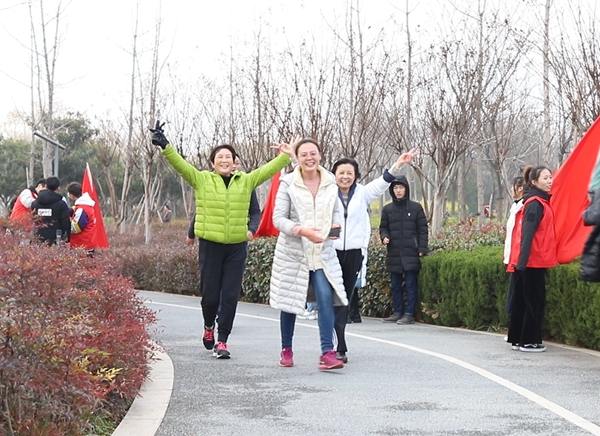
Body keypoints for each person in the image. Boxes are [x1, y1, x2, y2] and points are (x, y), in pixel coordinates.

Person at [150, 120, 295, 359]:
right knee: (210, 297)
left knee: (229, 296)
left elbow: (267, 171)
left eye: (228, 156)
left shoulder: (246, 181)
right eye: (220, 157)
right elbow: (181, 165)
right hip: (211, 246)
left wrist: (285, 156)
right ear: (212, 162)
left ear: (234, 161)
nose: (224, 160)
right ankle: (209, 326)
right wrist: (165, 145)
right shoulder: (202, 179)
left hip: (237, 247)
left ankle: (223, 340)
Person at [331, 149, 417, 362]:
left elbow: (383, 181)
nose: (345, 176)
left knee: (344, 298)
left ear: (356, 176)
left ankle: (339, 345)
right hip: (330, 252)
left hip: (353, 253)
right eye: (341, 172)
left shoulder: (363, 193)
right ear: (334, 175)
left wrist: (398, 164)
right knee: (330, 298)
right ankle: (330, 344)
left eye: (349, 173)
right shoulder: (327, 193)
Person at [269, 138, 348, 371]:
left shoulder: (330, 182)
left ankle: (327, 352)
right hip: (294, 253)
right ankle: (286, 349)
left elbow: (336, 210)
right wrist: (301, 230)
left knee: (325, 296)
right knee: (291, 302)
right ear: (297, 158)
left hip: (321, 253)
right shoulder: (288, 183)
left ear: (320, 155)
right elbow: (278, 218)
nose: (309, 158)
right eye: (303, 154)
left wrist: (335, 226)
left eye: (313, 153)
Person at [507, 165, 557, 353]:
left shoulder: (536, 202)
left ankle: (518, 339)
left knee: (522, 301)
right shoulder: (535, 203)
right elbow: (527, 234)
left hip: (528, 261)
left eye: (550, 177)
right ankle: (529, 341)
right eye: (545, 178)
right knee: (534, 302)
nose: (549, 181)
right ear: (534, 182)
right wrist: (522, 263)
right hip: (532, 261)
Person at [380, 175, 428, 325]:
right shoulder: (387, 209)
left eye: (401, 187)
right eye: (395, 188)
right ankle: (397, 312)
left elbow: (423, 230)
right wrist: (384, 236)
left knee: (410, 285)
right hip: (394, 253)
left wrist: (422, 248)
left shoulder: (415, 208)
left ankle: (409, 314)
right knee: (395, 285)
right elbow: (383, 227)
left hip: (410, 252)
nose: (398, 190)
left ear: (406, 189)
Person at [186, 156, 261, 246]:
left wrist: (251, 230)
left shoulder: (246, 186)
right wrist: (191, 234)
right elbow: (202, 211)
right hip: (212, 241)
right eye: (232, 163)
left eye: (237, 163)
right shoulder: (210, 184)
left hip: (237, 241)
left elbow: (255, 212)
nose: (234, 166)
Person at [503, 177, 526, 316]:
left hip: (519, 258)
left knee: (518, 297)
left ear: (520, 188)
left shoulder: (524, 207)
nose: (511, 189)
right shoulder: (515, 206)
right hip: (513, 256)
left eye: (513, 187)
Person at [31, 176, 70, 245]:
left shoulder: (35, 204)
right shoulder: (61, 204)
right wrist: (67, 238)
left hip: (38, 238)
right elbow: (65, 223)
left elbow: (33, 220)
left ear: (46, 186)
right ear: (58, 188)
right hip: (56, 239)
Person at [66, 182, 97, 256]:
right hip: (86, 243)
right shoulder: (84, 206)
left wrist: (65, 225)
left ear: (72, 195)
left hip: (82, 245)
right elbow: (72, 210)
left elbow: (76, 228)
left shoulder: (82, 209)